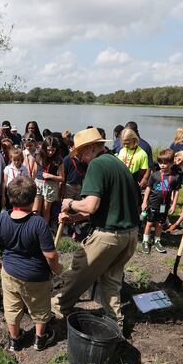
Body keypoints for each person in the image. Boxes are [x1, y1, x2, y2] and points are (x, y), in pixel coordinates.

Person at [52, 128, 139, 325]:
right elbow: (107, 205)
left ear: (91, 148)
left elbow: (91, 205)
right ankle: (114, 321)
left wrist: (69, 204)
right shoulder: (118, 162)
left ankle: (58, 307)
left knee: (79, 269)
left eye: (81, 153)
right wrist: (74, 218)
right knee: (111, 280)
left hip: (109, 236)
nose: (81, 159)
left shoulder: (97, 165)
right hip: (130, 235)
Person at [0, 176, 62, 351]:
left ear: (9, 197)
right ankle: (40, 339)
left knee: (11, 307)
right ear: (34, 197)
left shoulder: (0, 219)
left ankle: (15, 340)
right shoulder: (38, 223)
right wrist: (57, 268)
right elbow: (50, 256)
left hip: (10, 272)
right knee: (40, 307)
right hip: (36, 276)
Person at [140, 149, 181, 254]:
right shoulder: (155, 175)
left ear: (172, 163)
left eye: (165, 163)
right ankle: (145, 241)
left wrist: (174, 205)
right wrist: (144, 202)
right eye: (160, 162)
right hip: (153, 204)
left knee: (160, 223)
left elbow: (176, 191)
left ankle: (157, 240)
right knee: (149, 223)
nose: (162, 165)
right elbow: (148, 188)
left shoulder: (175, 177)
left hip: (165, 205)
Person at [33, 136, 64, 226]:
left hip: (50, 185)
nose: (50, 152)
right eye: (48, 150)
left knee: (46, 210)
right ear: (44, 149)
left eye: (53, 150)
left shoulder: (58, 160)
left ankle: (43, 229)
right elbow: (34, 172)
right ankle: (33, 228)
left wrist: (50, 176)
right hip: (38, 183)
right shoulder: (38, 157)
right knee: (35, 210)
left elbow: (62, 178)